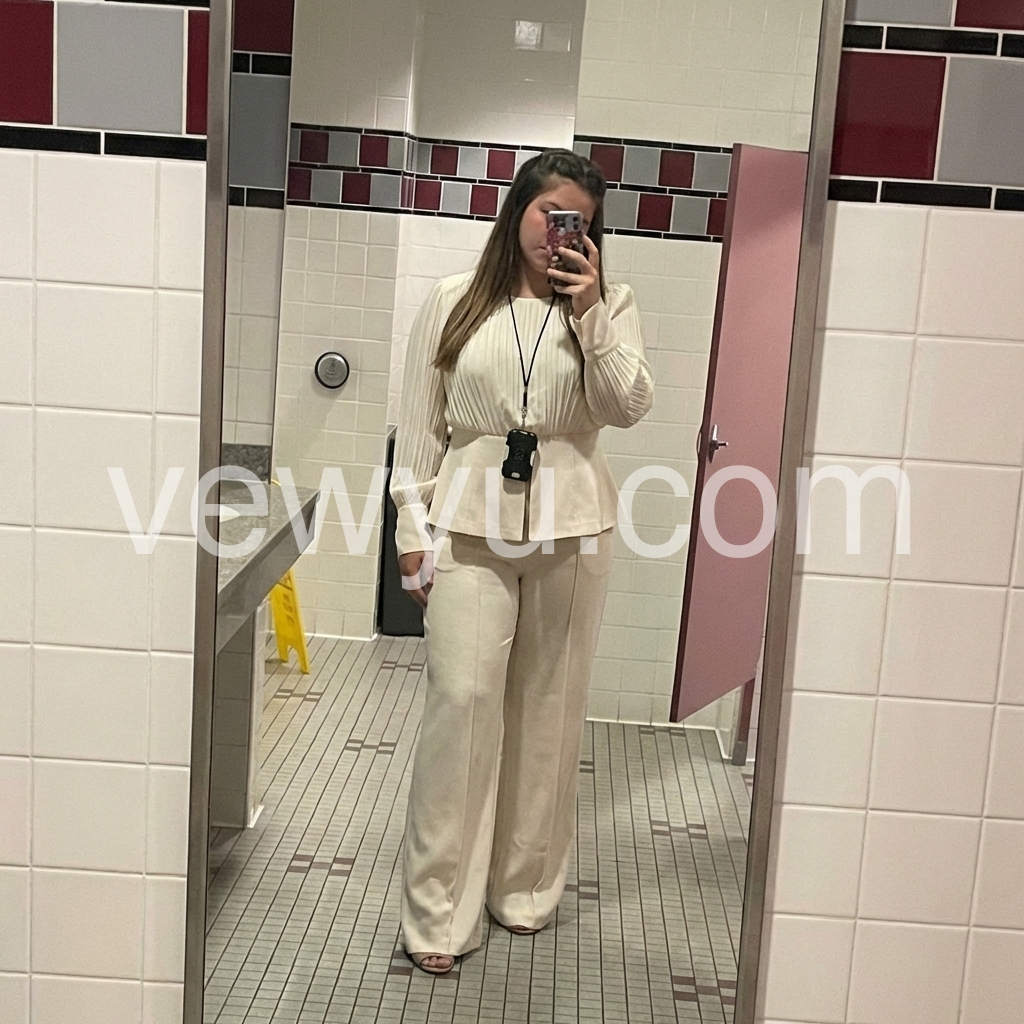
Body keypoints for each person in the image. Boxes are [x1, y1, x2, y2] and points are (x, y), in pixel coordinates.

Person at [390, 148, 654, 974]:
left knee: (550, 712)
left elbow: (628, 406)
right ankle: (438, 916)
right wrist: (410, 529)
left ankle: (525, 890)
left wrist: (591, 314)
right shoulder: (453, 301)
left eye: (579, 222)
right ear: (518, 212)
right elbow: (421, 423)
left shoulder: (610, 305)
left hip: (574, 529)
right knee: (462, 706)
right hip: (469, 525)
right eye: (550, 214)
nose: (559, 233)